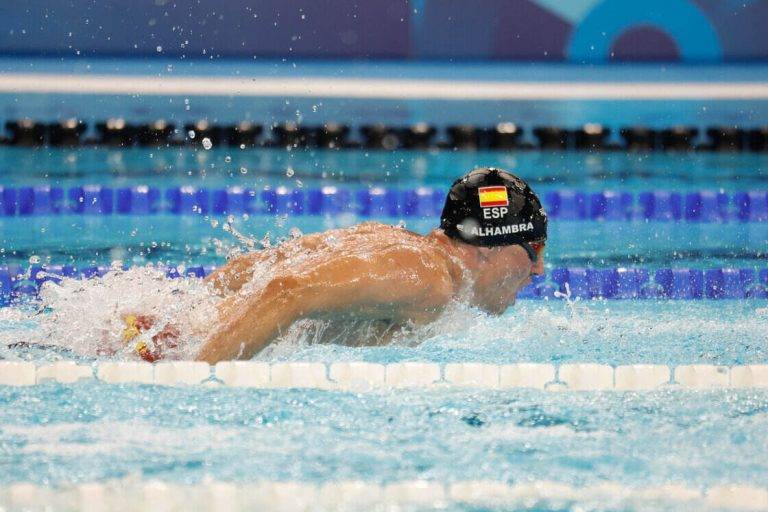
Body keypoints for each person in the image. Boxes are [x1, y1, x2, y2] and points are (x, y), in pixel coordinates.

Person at [123, 167, 547, 363]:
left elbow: (256, 266)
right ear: (490, 245)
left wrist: (183, 317)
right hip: (172, 354)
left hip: (156, 335)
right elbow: (287, 290)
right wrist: (195, 379)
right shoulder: (427, 280)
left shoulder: (393, 241)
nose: (539, 270)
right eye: (532, 250)